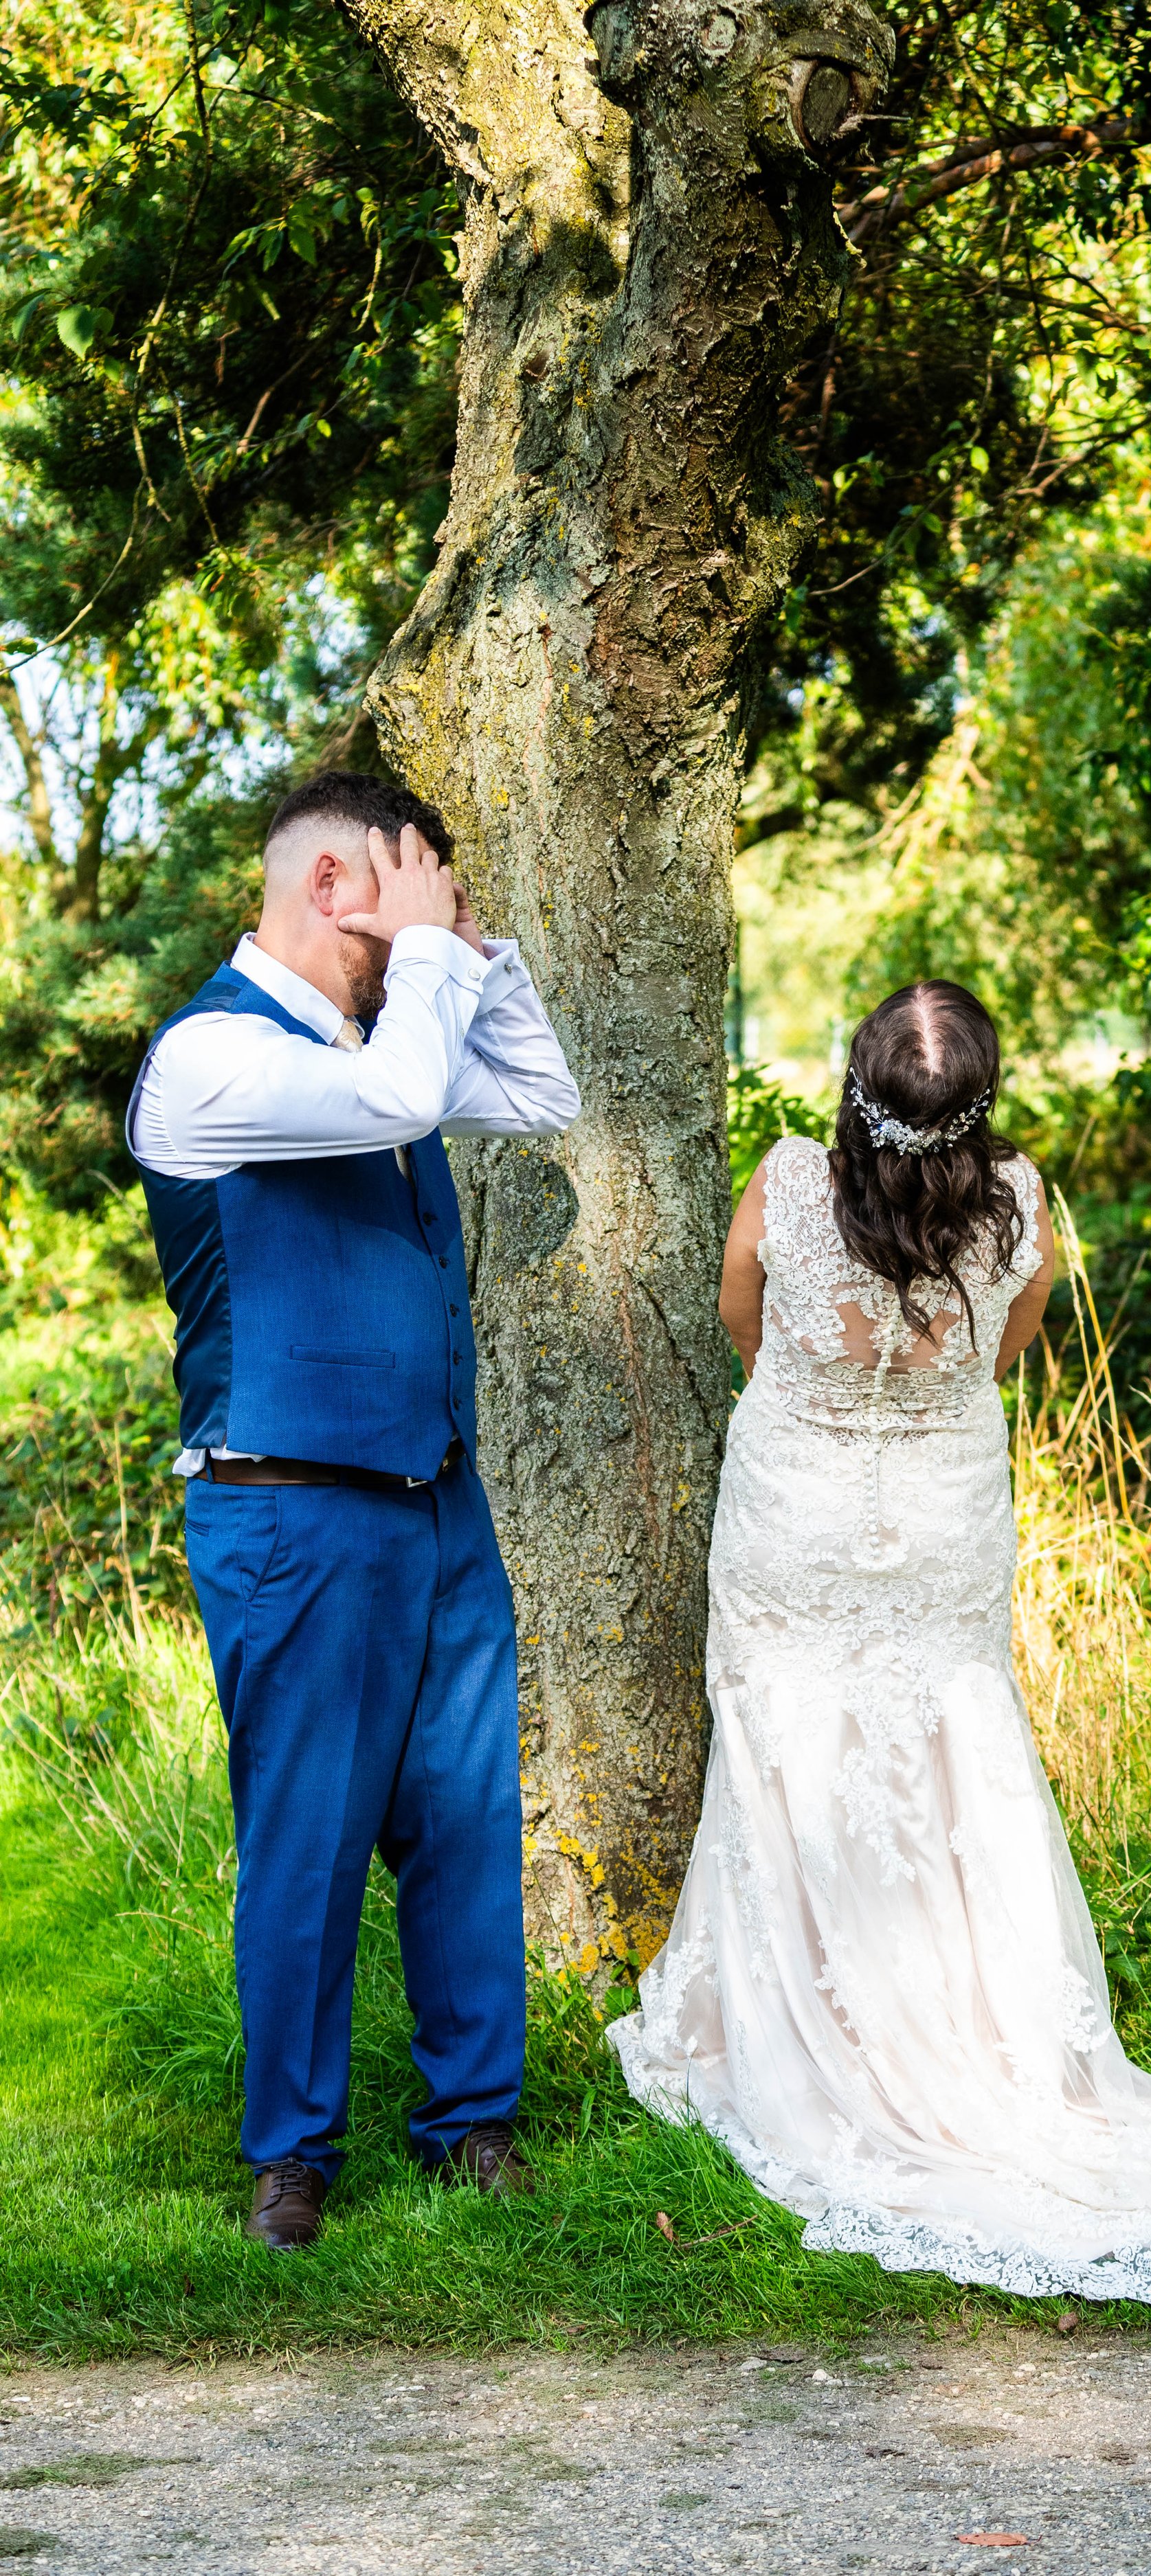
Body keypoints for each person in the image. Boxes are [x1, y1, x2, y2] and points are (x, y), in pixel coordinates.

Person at [609, 980, 1151, 2303]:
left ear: (856, 1084)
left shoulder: (784, 1180)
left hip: (799, 1511)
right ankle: (974, 2036)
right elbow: (1003, 1355)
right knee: (955, 1751)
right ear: (979, 1100)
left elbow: (743, 1323)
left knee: (785, 1738)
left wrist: (826, 1401)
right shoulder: (1017, 1204)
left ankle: (796, 2028)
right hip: (942, 1513)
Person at [128, 771, 581, 2252]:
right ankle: (292, 2159)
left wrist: (474, 952)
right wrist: (435, 962)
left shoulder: (385, 1034)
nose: (429, 926)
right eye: (415, 890)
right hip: (293, 1519)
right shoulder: (209, 1056)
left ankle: (471, 2130)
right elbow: (397, 1100)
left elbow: (536, 1093)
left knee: (463, 1826)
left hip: (439, 1507)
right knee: (309, 1843)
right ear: (335, 888)